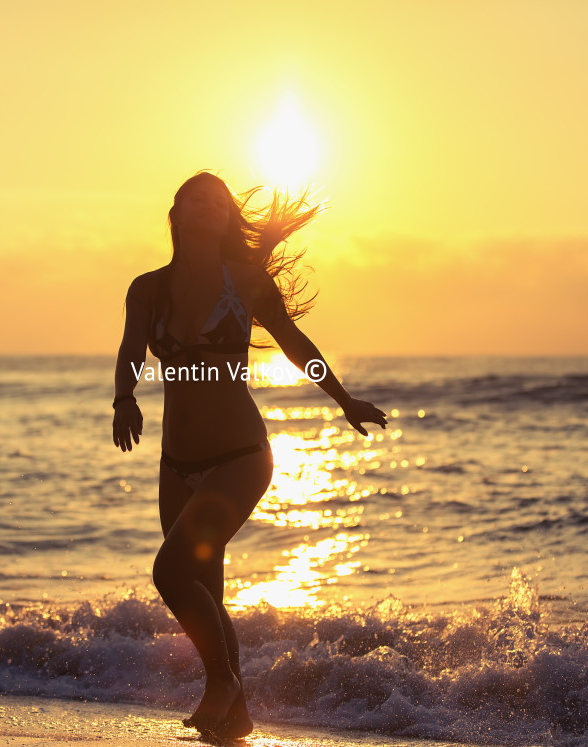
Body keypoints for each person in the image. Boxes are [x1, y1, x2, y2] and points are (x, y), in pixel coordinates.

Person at [111, 171, 387, 738]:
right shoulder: (147, 288)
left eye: (220, 201)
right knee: (207, 593)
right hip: (177, 465)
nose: (210, 206)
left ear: (229, 218)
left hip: (240, 455)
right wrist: (123, 399)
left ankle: (220, 685)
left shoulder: (248, 281)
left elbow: (294, 345)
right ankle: (235, 718)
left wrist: (342, 397)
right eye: (198, 199)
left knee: (169, 572)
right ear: (177, 213)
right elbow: (130, 348)